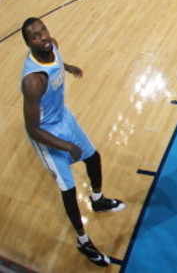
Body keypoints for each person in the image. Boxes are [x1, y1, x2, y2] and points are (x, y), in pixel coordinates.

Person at [20, 18, 125, 267]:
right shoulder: (33, 81)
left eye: (43, 29)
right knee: (68, 190)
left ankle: (98, 200)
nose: (43, 36)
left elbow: (56, 61)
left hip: (64, 117)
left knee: (93, 157)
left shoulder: (51, 45)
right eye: (35, 36)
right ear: (28, 43)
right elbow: (33, 129)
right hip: (46, 134)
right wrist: (66, 147)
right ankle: (82, 240)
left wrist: (68, 67)